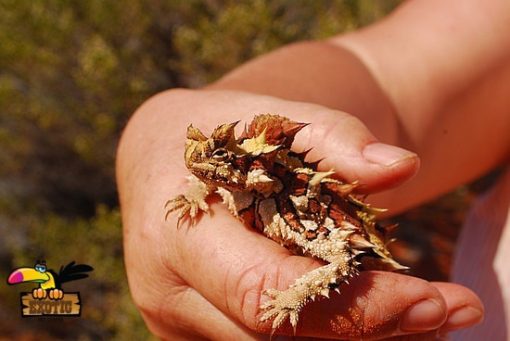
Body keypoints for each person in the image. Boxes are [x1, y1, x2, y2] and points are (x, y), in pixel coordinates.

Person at [116, 0, 510, 339]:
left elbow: (341, 260)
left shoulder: (284, 200)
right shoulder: (244, 183)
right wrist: (159, 125)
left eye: (223, 163)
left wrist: (292, 297)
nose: (207, 170)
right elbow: (379, 72)